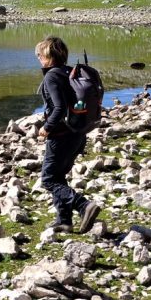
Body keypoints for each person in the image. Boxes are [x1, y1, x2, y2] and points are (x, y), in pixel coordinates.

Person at [35, 36, 101, 233]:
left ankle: (83, 205)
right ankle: (64, 220)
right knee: (59, 175)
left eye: (39, 55)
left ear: (48, 56)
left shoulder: (52, 76)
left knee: (48, 179)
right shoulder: (68, 72)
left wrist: (46, 127)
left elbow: (59, 108)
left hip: (61, 135)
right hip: (77, 133)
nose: (38, 58)